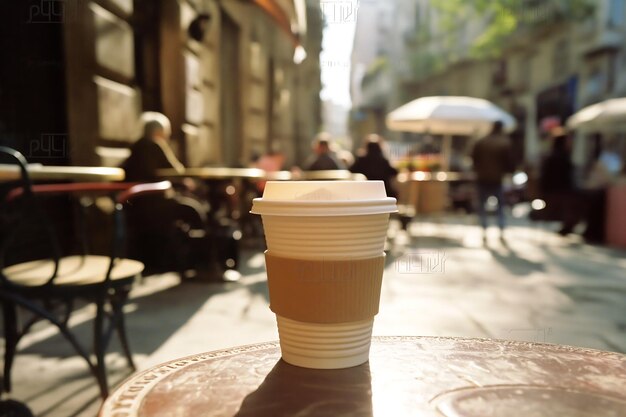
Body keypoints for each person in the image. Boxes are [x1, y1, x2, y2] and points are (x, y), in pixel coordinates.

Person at [471, 120, 515, 238]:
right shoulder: (504, 143)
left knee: (482, 204)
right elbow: (510, 162)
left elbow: (474, 158)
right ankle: (501, 227)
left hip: (482, 176)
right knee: (500, 205)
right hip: (497, 177)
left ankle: (484, 227)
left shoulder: (482, 141)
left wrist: (477, 169)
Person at [539, 129, 577, 235]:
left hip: (553, 188)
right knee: (565, 209)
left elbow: (545, 174)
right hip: (560, 189)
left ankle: (564, 228)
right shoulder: (562, 157)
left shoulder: (552, 156)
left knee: (557, 210)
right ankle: (565, 228)